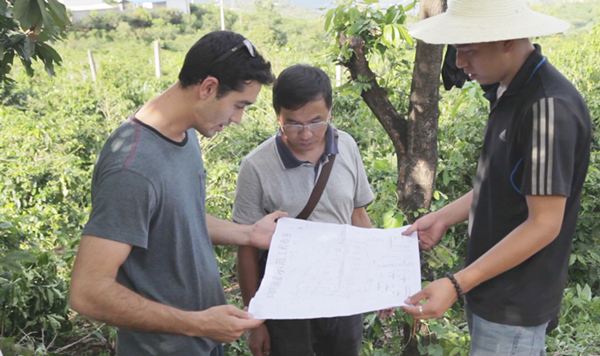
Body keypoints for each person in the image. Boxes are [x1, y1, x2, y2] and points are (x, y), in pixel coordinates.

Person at [69, 30, 287, 356]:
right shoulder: (132, 167)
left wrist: (249, 234)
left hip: (204, 343)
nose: (239, 119)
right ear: (208, 87)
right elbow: (88, 291)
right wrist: (197, 323)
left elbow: (178, 215)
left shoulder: (184, 134)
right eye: (238, 105)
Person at [401, 1, 592, 355]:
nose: (459, 62)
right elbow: (503, 184)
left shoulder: (547, 108)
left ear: (507, 39)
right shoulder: (508, 90)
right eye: (456, 49)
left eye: (468, 50)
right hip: (489, 289)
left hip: (514, 305)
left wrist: (456, 284)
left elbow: (544, 224)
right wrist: (443, 217)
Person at [233, 64, 389, 356]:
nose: (305, 134)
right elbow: (247, 248)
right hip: (287, 304)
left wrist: (375, 283)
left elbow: (358, 217)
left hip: (343, 294)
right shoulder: (256, 166)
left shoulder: (347, 147)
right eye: (292, 123)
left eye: (316, 122)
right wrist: (256, 321)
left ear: (330, 111)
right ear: (277, 115)